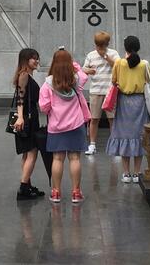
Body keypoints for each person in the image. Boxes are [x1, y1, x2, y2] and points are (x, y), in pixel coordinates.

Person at [39, 49, 92, 204]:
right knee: (75, 158)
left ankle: (56, 192)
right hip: (76, 125)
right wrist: (73, 65)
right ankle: (76, 192)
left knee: (57, 158)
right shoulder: (76, 81)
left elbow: (44, 107)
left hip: (56, 126)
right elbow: (83, 73)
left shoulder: (47, 84)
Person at [106, 35, 150, 183]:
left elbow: (114, 81)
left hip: (124, 102)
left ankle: (126, 173)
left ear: (125, 48)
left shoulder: (119, 63)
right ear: (138, 47)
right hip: (139, 102)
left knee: (124, 136)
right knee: (139, 136)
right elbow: (149, 79)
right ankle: (137, 173)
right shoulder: (144, 64)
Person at [11, 48, 50, 200]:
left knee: (27, 153)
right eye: (34, 59)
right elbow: (19, 99)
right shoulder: (24, 75)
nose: (37, 61)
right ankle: (23, 188)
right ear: (26, 60)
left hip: (29, 116)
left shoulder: (26, 75)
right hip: (27, 118)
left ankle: (27, 184)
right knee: (32, 153)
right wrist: (20, 117)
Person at [81, 31, 120, 155]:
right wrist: (89, 70)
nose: (100, 48)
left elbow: (119, 67)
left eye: (102, 45)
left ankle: (115, 145)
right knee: (94, 119)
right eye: (98, 45)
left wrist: (107, 58)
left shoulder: (113, 53)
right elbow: (83, 69)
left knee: (112, 119)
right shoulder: (91, 55)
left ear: (107, 44)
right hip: (96, 90)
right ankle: (92, 145)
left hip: (110, 91)